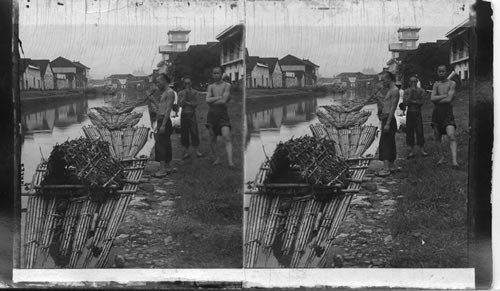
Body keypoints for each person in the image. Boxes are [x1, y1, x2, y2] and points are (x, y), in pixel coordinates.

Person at [430, 65, 459, 168]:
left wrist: (438, 98)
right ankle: (441, 158)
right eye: (439, 71)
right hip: (437, 113)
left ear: (446, 72)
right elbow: (432, 98)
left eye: (443, 71)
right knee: (437, 136)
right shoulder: (436, 84)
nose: (441, 73)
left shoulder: (452, 83)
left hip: (447, 112)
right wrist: (444, 95)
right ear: (437, 72)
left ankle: (454, 161)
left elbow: (449, 100)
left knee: (451, 135)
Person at [206, 66, 234, 168]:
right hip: (212, 115)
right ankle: (217, 158)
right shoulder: (210, 86)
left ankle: (230, 162)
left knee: (226, 136)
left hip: (223, 114)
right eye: (214, 73)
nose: (216, 75)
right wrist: (218, 97)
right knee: (212, 137)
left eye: (218, 73)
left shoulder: (227, 85)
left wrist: (213, 99)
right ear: (212, 74)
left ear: (222, 74)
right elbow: (207, 100)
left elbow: (224, 100)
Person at [376, 71, 400, 177]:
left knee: (385, 143)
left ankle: (386, 169)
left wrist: (388, 123)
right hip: (385, 118)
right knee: (390, 142)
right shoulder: (389, 90)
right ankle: (391, 166)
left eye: (384, 79)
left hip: (389, 120)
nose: (383, 82)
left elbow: (393, 108)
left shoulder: (395, 91)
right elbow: (386, 105)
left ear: (389, 79)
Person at [154, 73, 176, 177]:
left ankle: (162, 170)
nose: (157, 84)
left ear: (164, 81)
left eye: (158, 82)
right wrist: (152, 101)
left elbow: (168, 110)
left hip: (164, 121)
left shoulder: (170, 92)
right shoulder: (164, 93)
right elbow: (160, 107)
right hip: (161, 120)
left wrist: (163, 124)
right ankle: (168, 167)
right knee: (166, 144)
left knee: (161, 145)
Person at [402, 76, 429, 159]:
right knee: (409, 131)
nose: (413, 83)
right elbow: (405, 103)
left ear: (417, 82)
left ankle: (422, 150)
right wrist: (410, 95)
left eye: (414, 81)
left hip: (417, 113)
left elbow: (421, 102)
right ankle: (411, 151)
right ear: (409, 83)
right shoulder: (406, 91)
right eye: (411, 82)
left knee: (420, 131)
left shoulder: (421, 91)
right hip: (410, 113)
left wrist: (412, 101)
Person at [178, 77, 204, 159]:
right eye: (185, 83)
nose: (187, 85)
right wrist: (186, 95)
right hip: (184, 114)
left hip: (192, 114)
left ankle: (196, 151)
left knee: (194, 132)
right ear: (183, 84)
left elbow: (195, 104)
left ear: (191, 83)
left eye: (188, 83)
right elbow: (181, 104)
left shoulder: (195, 92)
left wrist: (187, 102)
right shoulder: (181, 93)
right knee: (184, 133)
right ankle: (186, 152)